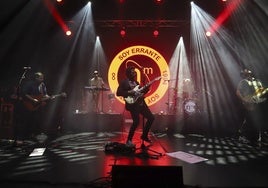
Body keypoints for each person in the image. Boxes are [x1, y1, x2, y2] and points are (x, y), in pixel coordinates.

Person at [116, 66, 155, 147]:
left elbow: (141, 93)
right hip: (133, 105)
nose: (135, 73)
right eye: (133, 72)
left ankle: (144, 136)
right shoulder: (124, 82)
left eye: (135, 72)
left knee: (151, 118)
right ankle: (129, 140)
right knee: (136, 122)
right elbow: (118, 93)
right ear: (128, 74)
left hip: (141, 103)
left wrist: (147, 88)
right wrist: (130, 92)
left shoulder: (136, 83)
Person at [13, 72, 52, 145]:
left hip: (36, 107)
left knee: (35, 122)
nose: (42, 79)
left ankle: (32, 137)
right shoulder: (29, 84)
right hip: (27, 105)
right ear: (36, 78)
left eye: (43, 78)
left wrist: (49, 97)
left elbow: (44, 94)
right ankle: (20, 138)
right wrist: (32, 99)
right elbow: (24, 93)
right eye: (41, 78)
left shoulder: (42, 85)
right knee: (24, 122)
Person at [236, 68, 267, 143]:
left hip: (257, 103)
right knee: (249, 119)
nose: (247, 73)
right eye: (245, 72)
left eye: (248, 72)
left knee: (258, 120)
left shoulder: (258, 81)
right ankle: (242, 135)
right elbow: (238, 92)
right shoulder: (243, 82)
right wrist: (244, 100)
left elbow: (261, 91)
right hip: (249, 103)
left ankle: (259, 136)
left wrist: (262, 98)